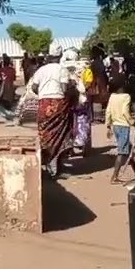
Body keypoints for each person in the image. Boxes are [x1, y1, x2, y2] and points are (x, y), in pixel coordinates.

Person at [27, 46, 73, 177]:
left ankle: (46, 166)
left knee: (45, 137)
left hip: (43, 105)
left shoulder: (41, 70)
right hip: (58, 105)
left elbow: (34, 87)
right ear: (59, 56)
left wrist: (43, 93)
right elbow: (64, 89)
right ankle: (55, 168)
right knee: (59, 137)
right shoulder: (62, 70)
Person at [104, 75, 135, 183]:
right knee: (122, 152)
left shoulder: (112, 96)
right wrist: (133, 123)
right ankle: (114, 177)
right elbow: (125, 112)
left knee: (128, 149)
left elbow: (108, 111)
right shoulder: (126, 97)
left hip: (115, 125)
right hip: (124, 126)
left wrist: (108, 125)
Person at [63, 48, 92, 154]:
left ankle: (70, 148)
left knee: (69, 124)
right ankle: (82, 144)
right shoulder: (82, 68)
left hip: (68, 102)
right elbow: (85, 86)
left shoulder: (62, 68)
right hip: (80, 101)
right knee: (83, 121)